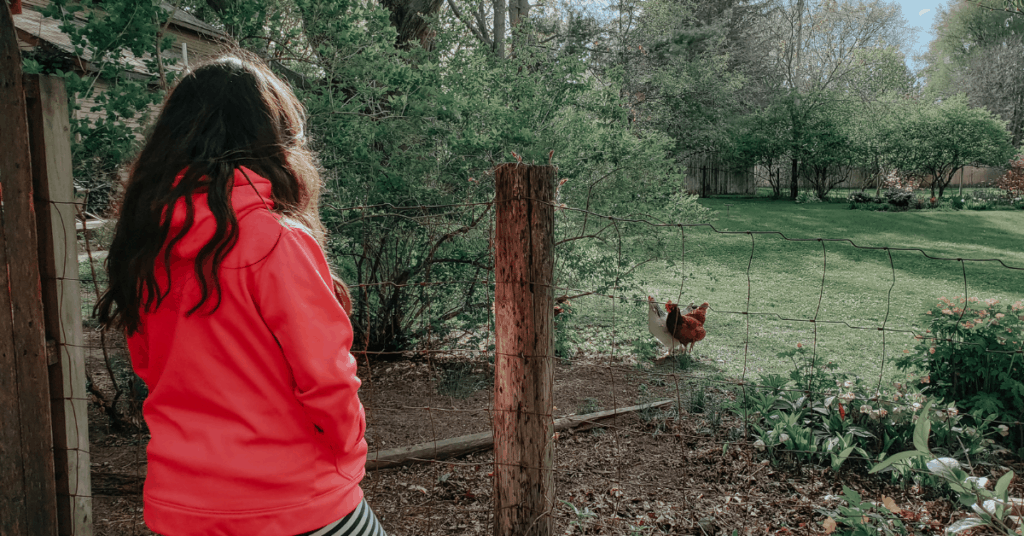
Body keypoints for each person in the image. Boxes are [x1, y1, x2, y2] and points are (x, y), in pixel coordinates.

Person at [95, 52, 385, 536]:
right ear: (270, 140)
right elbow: (326, 378)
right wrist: (347, 457)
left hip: (181, 508)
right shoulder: (275, 240)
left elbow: (150, 367)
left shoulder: (145, 244)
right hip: (295, 503)